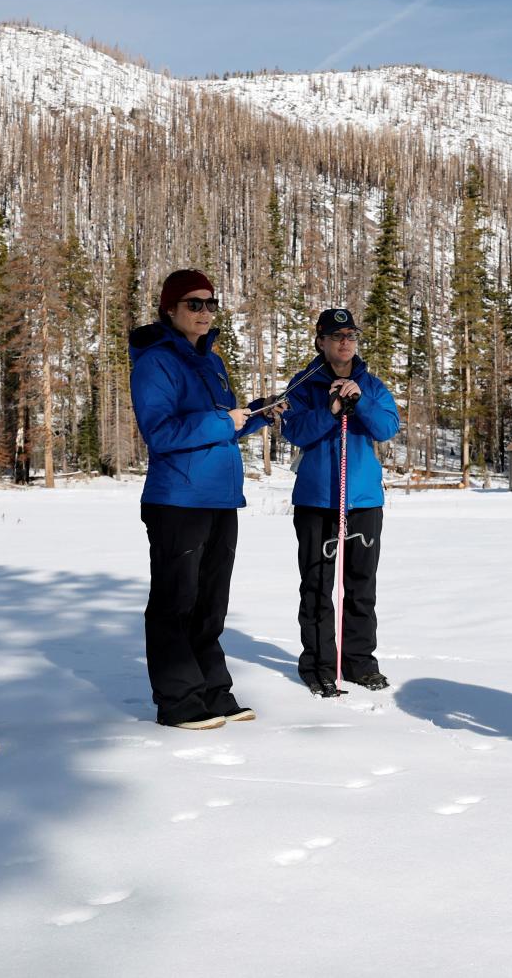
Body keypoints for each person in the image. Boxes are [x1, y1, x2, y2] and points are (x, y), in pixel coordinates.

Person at [129, 269, 281, 729]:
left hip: (219, 497)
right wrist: (226, 422)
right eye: (193, 304)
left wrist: (258, 415)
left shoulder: (211, 362)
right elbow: (160, 432)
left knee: (211, 604)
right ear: (169, 309)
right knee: (176, 601)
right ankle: (178, 700)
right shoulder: (156, 363)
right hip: (177, 498)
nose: (204, 312)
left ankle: (214, 691)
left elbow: (225, 424)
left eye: (210, 304)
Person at [281, 308, 401, 696]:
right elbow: (294, 431)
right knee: (317, 585)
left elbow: (386, 427)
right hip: (318, 500)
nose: (345, 342)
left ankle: (359, 662)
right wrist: (331, 410)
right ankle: (317, 664)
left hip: (363, 500)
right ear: (321, 341)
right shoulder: (304, 384)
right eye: (336, 336)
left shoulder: (372, 384)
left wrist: (359, 402)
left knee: (361, 585)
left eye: (350, 335)